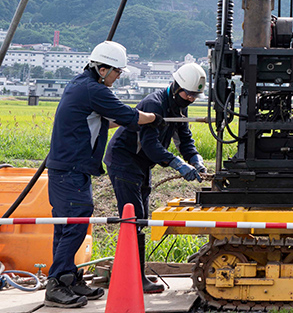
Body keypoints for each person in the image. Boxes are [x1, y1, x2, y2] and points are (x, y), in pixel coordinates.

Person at [45, 41, 161, 308]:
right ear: (102, 68)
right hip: (70, 169)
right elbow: (127, 116)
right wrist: (153, 118)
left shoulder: (80, 85)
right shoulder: (93, 90)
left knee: (67, 225)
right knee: (73, 225)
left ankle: (68, 277)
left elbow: (109, 119)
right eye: (117, 72)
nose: (118, 77)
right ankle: (56, 284)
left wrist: (137, 118)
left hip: (71, 168)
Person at [104, 62, 207, 294]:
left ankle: (136, 274)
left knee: (140, 220)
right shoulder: (155, 104)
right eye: (188, 93)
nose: (191, 98)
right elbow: (150, 145)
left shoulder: (179, 107)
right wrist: (177, 163)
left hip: (141, 163)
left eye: (195, 95)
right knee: (134, 219)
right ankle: (133, 279)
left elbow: (185, 137)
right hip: (124, 161)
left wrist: (195, 159)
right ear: (176, 85)